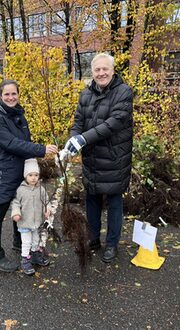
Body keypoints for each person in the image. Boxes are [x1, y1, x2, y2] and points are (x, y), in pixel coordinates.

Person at [62, 53, 133, 263]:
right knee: (91, 202)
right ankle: (93, 239)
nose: (101, 73)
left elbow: (113, 123)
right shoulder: (86, 94)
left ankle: (112, 244)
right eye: (97, 70)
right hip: (92, 159)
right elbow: (78, 122)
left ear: (112, 70)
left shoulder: (124, 92)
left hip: (114, 160)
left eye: (105, 69)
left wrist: (83, 139)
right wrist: (73, 139)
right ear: (91, 72)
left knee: (114, 204)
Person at [0, 80, 58, 272]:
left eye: (14, 94)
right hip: (3, 173)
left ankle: (20, 243)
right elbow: (12, 144)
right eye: (7, 94)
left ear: (18, 95)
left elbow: (24, 142)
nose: (11, 98)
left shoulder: (19, 115)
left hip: (20, 172)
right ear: (0, 96)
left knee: (22, 210)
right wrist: (41, 149)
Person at [11, 158, 51, 275]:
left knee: (36, 240)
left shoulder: (41, 189)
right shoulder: (21, 190)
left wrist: (47, 208)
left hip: (36, 222)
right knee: (26, 242)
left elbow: (46, 200)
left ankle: (35, 256)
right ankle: (25, 260)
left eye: (36, 175)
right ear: (25, 176)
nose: (33, 178)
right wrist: (16, 213)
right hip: (24, 222)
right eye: (30, 175)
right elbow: (16, 203)